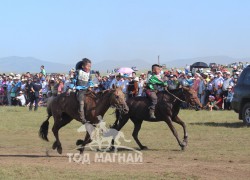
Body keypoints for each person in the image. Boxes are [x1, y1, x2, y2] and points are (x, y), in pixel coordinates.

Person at [75, 58, 93, 123]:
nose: (89, 68)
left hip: (87, 89)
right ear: (83, 66)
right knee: (81, 102)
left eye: (90, 66)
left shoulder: (89, 74)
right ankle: (82, 118)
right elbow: (74, 80)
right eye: (88, 66)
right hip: (80, 90)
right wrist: (73, 86)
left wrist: (91, 86)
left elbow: (90, 82)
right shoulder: (78, 72)